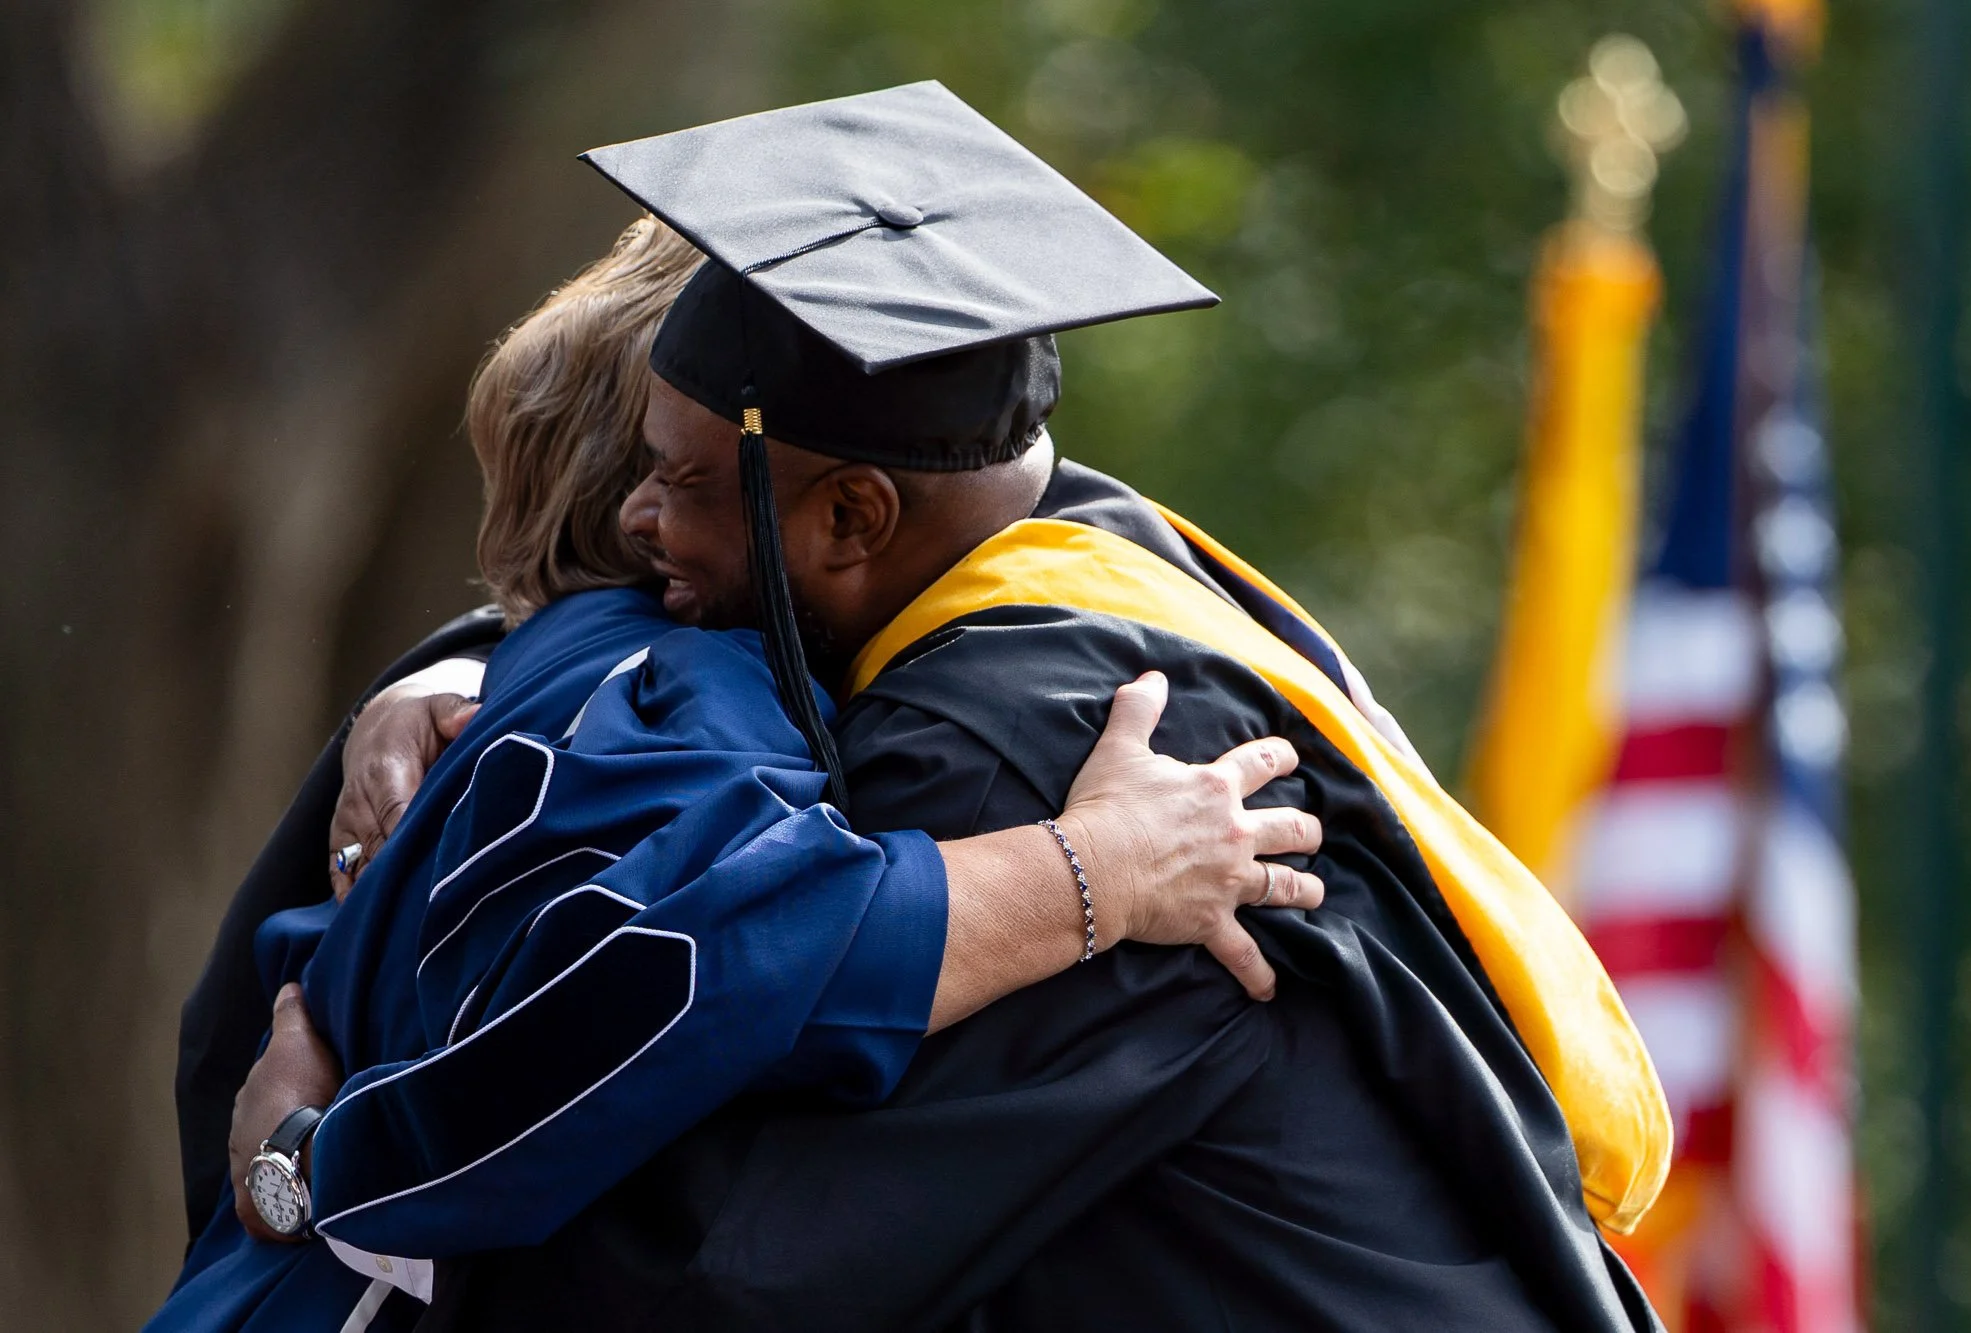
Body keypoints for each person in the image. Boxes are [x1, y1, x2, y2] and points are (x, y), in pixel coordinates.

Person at [382, 82, 1673, 1331]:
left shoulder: (1048, 761)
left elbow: (718, 1269)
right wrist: (454, 681)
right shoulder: (1111, 558)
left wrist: (338, 1167)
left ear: (850, 517)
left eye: (678, 482)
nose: (634, 520)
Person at [155, 214, 1323, 1333]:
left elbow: (221, 1043)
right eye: (654, 472)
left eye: (682, 478)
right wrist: (1096, 870)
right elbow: (697, 969)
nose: (643, 510)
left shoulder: (515, 684)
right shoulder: (680, 696)